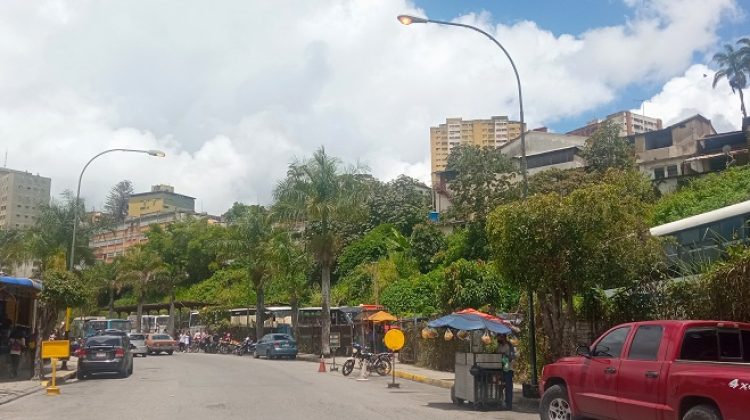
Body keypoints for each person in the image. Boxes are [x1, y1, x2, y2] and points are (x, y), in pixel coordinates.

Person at [497, 334, 516, 410]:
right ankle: (501, 402)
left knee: (508, 387)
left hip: (508, 369)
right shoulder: (500, 346)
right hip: (501, 369)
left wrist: (504, 355)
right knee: (500, 386)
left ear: (503, 337)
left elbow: (511, 358)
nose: (497, 339)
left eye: (498, 337)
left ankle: (509, 405)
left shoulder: (509, 346)